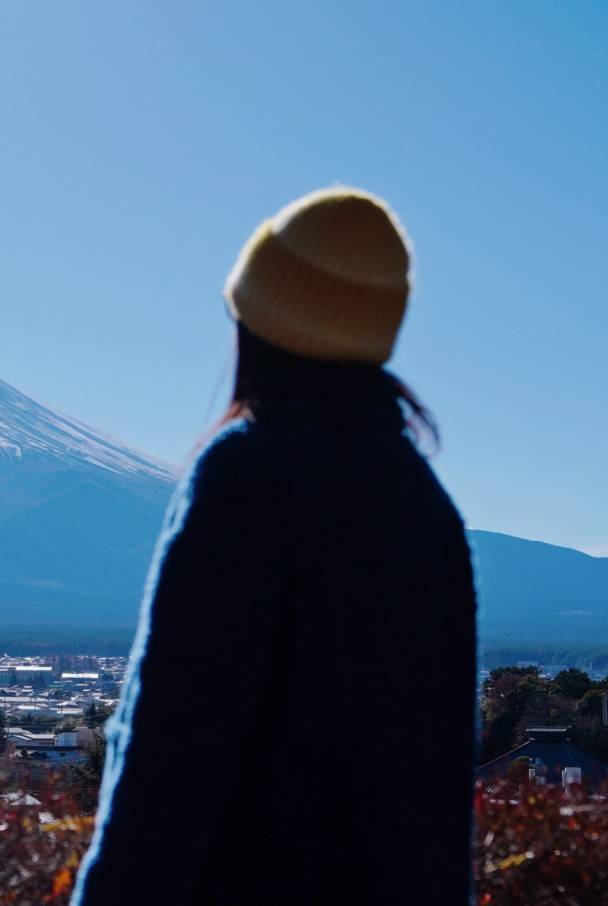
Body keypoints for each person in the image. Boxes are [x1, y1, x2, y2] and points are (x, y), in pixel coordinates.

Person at [73, 188, 476, 905]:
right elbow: (437, 789)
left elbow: (170, 761)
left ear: (263, 325)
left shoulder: (246, 475)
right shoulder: (426, 508)